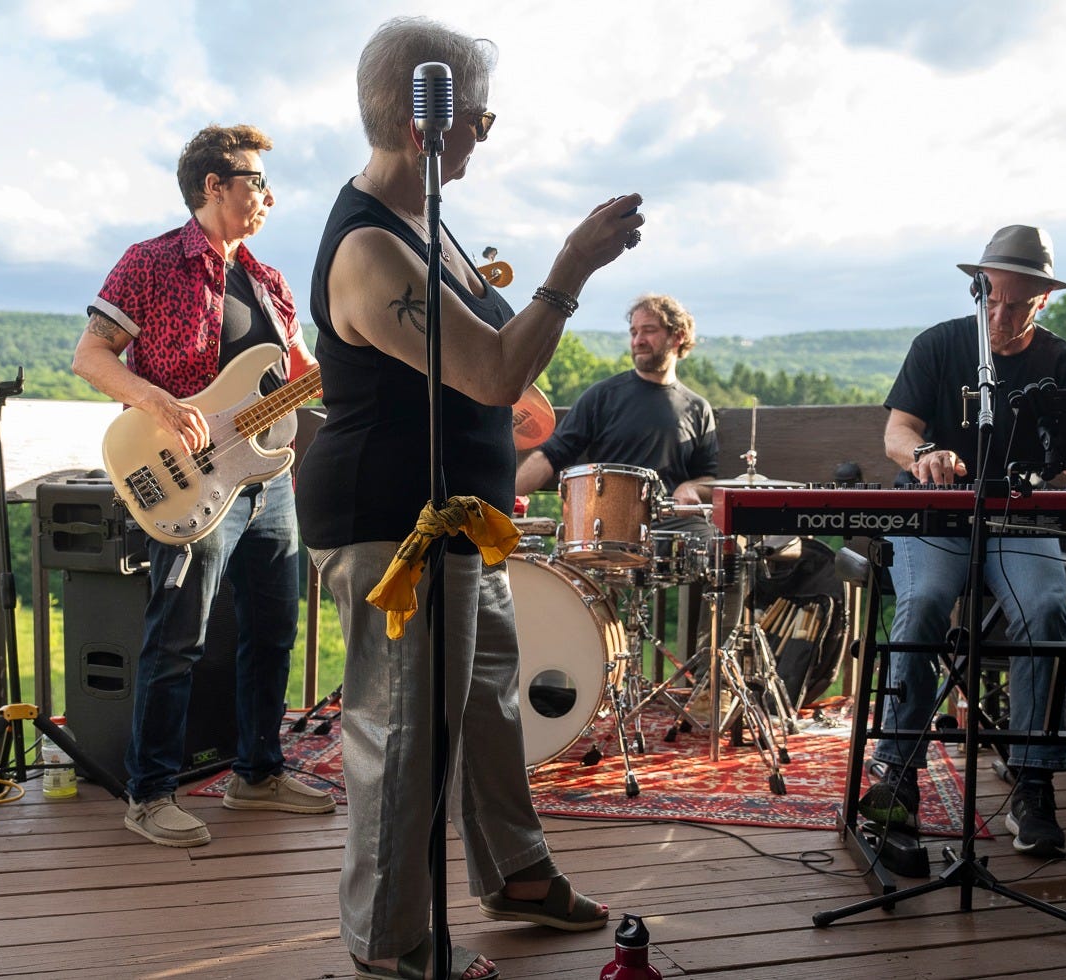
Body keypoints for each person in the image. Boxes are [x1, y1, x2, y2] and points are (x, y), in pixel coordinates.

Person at [295, 16, 643, 980]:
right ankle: (391, 942)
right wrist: (570, 269)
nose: (485, 133)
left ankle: (515, 873)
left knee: (488, 704)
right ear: (427, 123)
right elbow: (490, 371)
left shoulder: (424, 222)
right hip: (391, 526)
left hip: (458, 519)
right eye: (479, 118)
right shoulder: (370, 249)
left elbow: (484, 379)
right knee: (404, 735)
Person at [72, 124, 332, 851]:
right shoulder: (150, 262)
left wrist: (370, 356)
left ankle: (257, 774)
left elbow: (304, 376)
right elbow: (90, 356)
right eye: (257, 182)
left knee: (272, 633)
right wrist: (156, 402)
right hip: (189, 481)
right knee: (177, 640)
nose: (269, 197)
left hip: (267, 482)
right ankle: (150, 793)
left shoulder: (271, 283)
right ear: (213, 186)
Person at [862, 224, 1066, 859]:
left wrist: (1060, 467)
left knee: (1045, 608)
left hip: (1017, 520)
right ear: (978, 289)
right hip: (936, 517)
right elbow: (896, 432)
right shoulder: (939, 344)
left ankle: (1032, 782)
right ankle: (899, 773)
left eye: (1017, 305)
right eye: (992, 299)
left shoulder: (1062, 360)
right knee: (923, 604)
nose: (1000, 315)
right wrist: (925, 453)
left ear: (1043, 300)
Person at [513, 292, 718, 514]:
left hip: (675, 525)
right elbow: (551, 456)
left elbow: (706, 477)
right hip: (609, 524)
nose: (638, 341)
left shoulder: (698, 409)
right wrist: (501, 499)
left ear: (678, 337)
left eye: (649, 330)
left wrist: (692, 487)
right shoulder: (602, 396)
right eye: (634, 332)